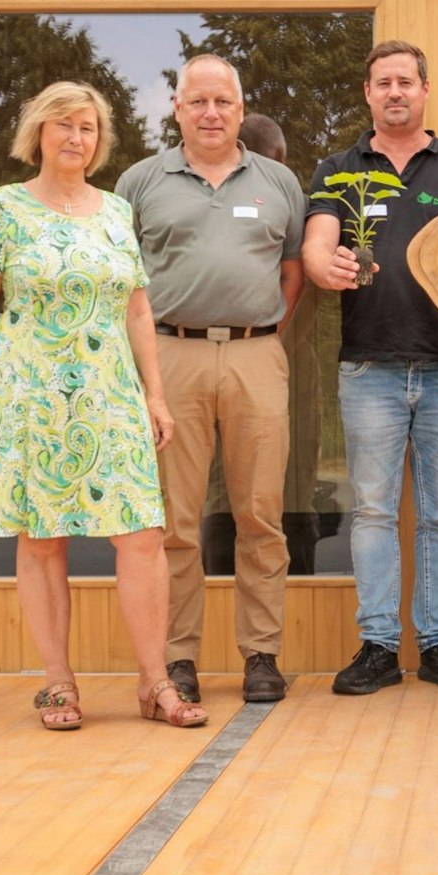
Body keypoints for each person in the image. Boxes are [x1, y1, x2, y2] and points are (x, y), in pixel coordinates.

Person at [0, 80, 206, 731]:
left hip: (112, 395)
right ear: (38, 132)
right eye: (63, 124)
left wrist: (155, 393)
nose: (75, 137)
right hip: (30, 396)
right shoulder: (3, 209)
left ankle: (156, 683)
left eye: (87, 127)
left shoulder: (116, 210)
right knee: (42, 540)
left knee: (143, 534)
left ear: (100, 140)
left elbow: (138, 307)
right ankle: (58, 683)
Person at [302, 40, 438, 695]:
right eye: (383, 82)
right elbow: (316, 245)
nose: (395, 92)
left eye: (405, 82)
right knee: (374, 512)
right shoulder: (339, 167)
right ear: (368, 93)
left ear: (425, 89)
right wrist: (322, 264)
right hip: (370, 369)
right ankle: (379, 646)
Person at [115, 57, 306, 707]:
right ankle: (179, 657)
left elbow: (293, 271)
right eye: (198, 101)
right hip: (171, 356)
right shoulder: (141, 181)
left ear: (240, 106)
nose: (211, 113)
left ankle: (261, 653)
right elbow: (122, 283)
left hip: (257, 356)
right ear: (177, 108)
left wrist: (268, 337)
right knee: (175, 520)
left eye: (223, 101)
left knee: (260, 514)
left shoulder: (278, 181)